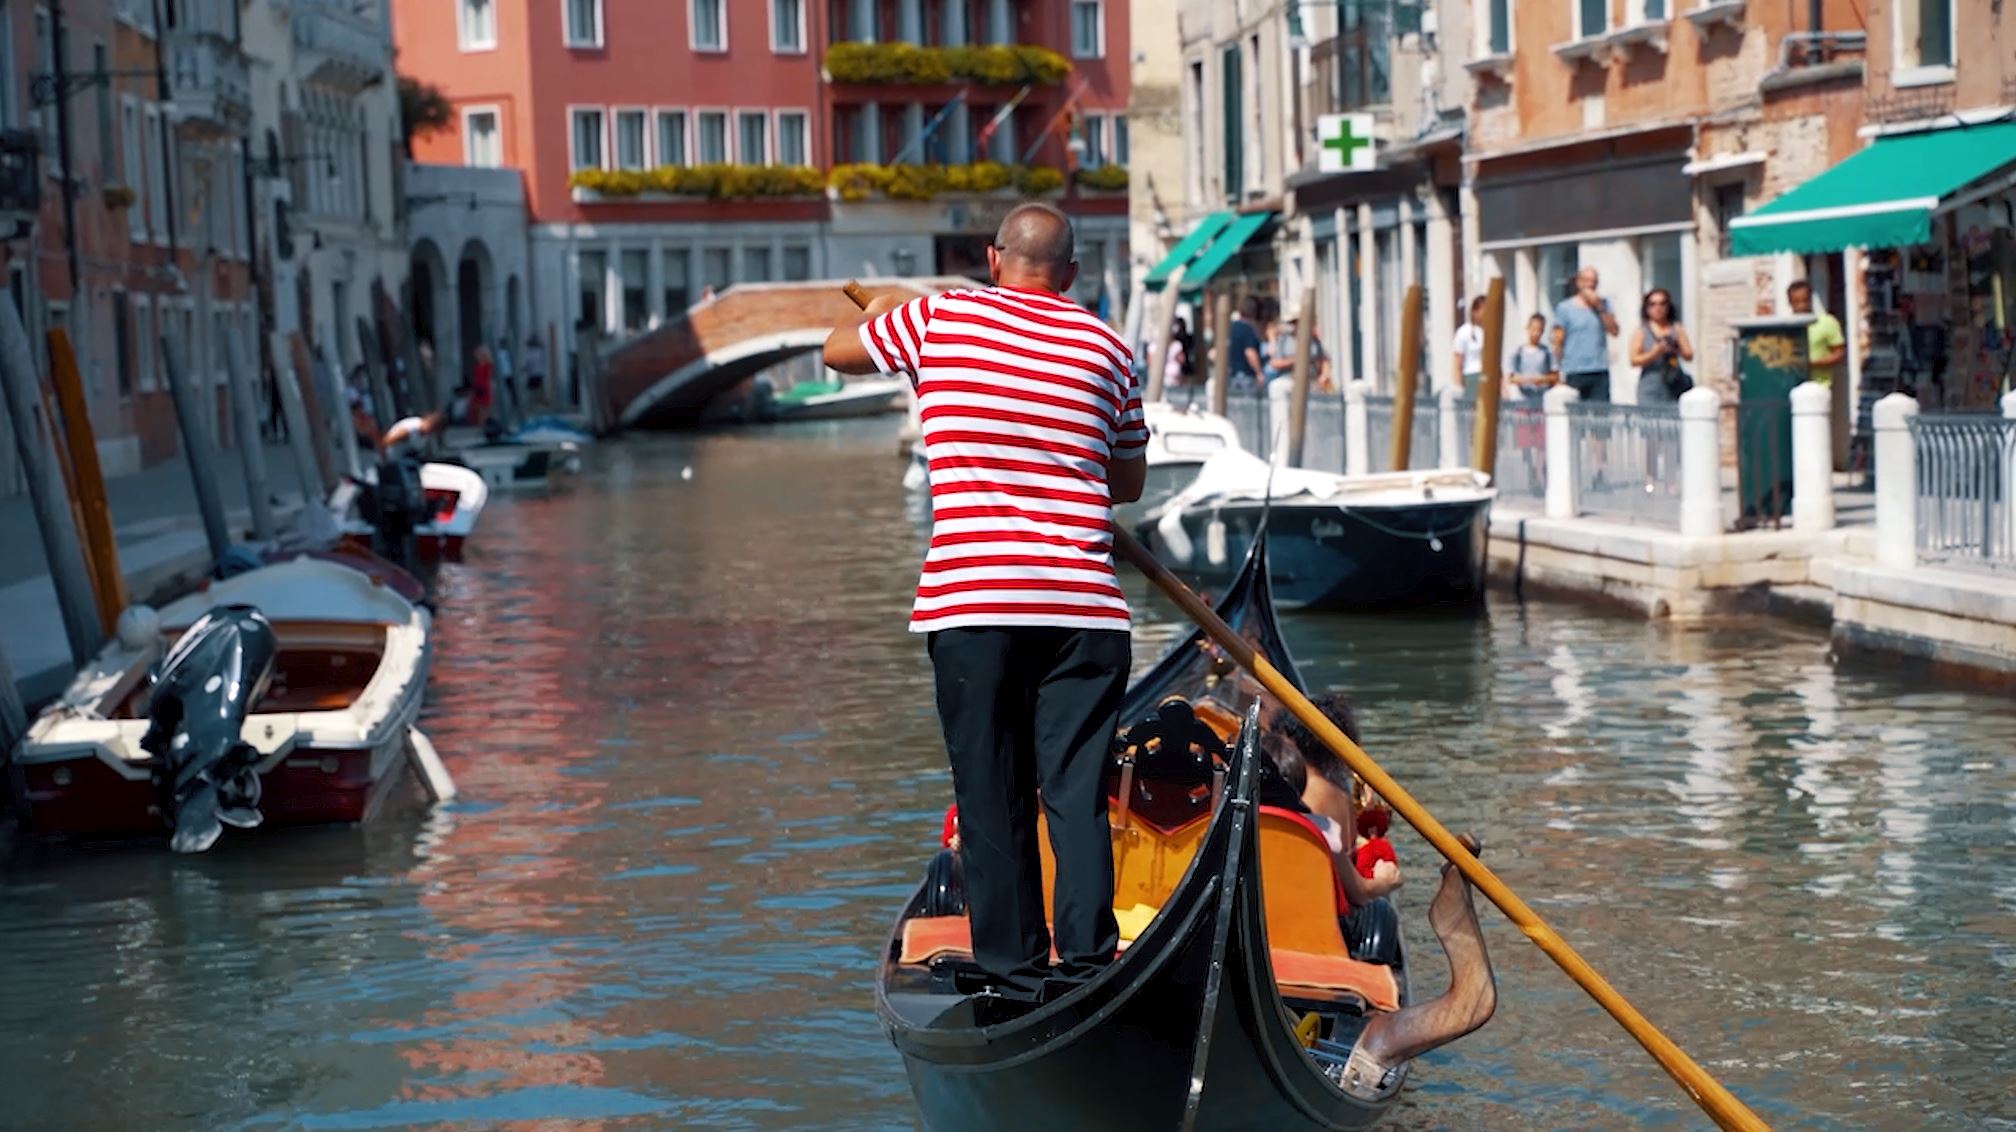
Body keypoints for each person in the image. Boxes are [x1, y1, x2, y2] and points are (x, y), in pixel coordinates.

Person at [823, 202, 1149, 1004]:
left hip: (977, 604)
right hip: (1083, 608)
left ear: (994, 259)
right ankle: (1085, 967)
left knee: (992, 794)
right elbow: (1127, 483)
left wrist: (901, 329)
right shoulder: (1109, 347)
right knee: (1075, 794)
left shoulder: (939, 319)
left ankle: (1013, 976)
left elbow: (836, 351)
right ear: (1071, 274)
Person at [1270, 695, 1403, 965]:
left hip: (1300, 919)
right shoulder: (1340, 797)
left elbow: (1354, 888)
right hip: (1322, 917)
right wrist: (1386, 882)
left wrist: (1380, 883)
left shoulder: (1291, 796)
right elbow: (1359, 891)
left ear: (1289, 742)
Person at [1551, 267, 1619, 403]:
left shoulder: (1604, 304)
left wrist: (1600, 307)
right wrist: (1557, 371)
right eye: (1587, 281)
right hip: (1574, 370)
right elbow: (1558, 341)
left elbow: (1614, 331)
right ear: (1579, 283)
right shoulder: (1565, 308)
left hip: (1599, 369)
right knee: (1576, 416)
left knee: (1601, 416)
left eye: (1594, 281)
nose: (1591, 285)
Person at [1506, 314, 1557, 481]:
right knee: (1525, 439)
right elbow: (1511, 377)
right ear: (1527, 329)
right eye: (1533, 329)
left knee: (1541, 439)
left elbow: (1554, 376)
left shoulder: (1546, 352)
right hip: (1524, 399)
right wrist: (1523, 380)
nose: (1536, 333)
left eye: (1539, 330)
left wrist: (1542, 379)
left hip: (1540, 399)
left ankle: (1539, 469)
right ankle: (1529, 467)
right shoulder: (1519, 352)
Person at [1630, 288, 1694, 404]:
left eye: (1662, 304)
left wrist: (1675, 348)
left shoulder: (1677, 329)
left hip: (1674, 381)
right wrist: (1655, 353)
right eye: (1653, 304)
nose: (1658, 308)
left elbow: (1689, 355)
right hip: (1650, 384)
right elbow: (1634, 360)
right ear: (1647, 308)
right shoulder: (1641, 331)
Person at [1788, 280, 1845, 386]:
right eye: (1796, 301)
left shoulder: (1827, 322)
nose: (1801, 306)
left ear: (1810, 300)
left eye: (1805, 300)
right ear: (1790, 302)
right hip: (1791, 385)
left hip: (1819, 385)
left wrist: (1813, 364)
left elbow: (1839, 354)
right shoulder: (1787, 327)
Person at [1450, 296, 1487, 396]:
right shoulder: (1464, 332)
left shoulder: (1489, 332)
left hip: (1488, 376)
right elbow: (1458, 361)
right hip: (1471, 376)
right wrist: (1458, 386)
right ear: (1475, 311)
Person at [1227, 297, 1265, 394]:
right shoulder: (1248, 329)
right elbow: (1250, 352)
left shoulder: (1230, 328)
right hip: (1246, 375)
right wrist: (1259, 372)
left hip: (1231, 374)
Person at [468, 344, 495, 427]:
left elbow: (490, 376)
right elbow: (476, 378)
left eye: (479, 354)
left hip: (485, 387)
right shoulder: (477, 366)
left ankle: (485, 424)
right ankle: (481, 424)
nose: (477, 356)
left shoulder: (488, 365)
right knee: (477, 407)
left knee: (485, 407)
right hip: (478, 387)